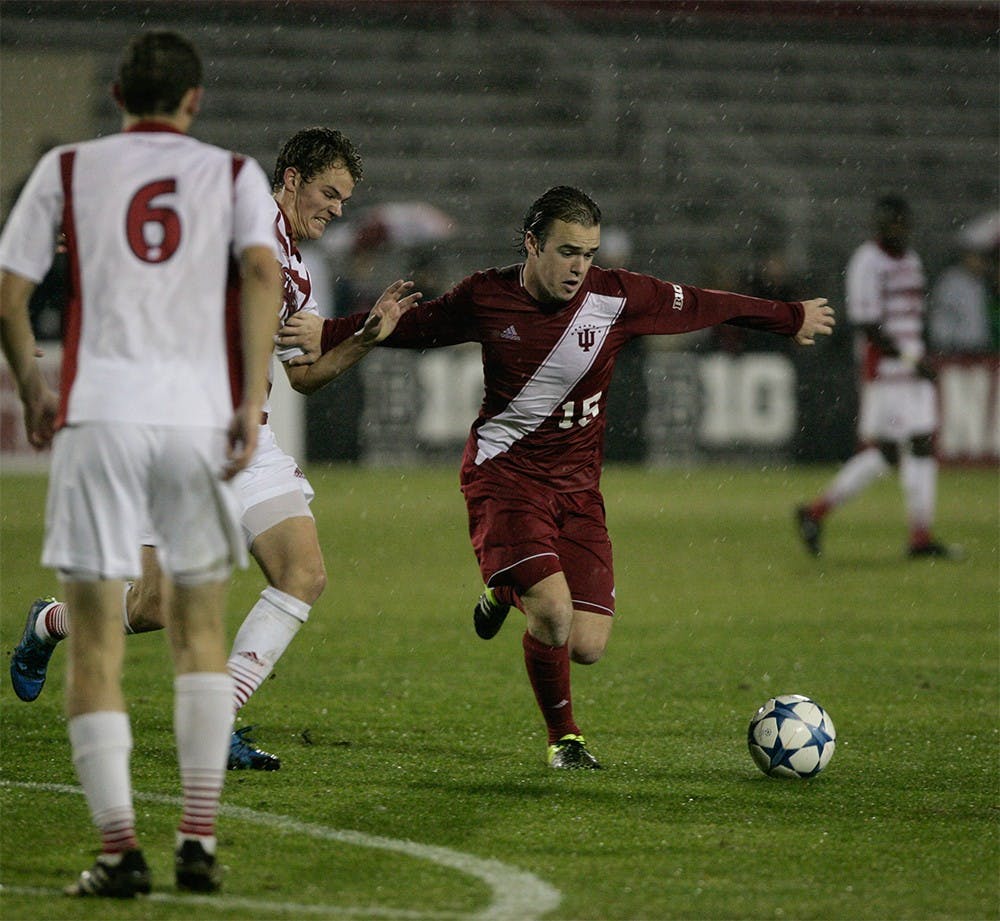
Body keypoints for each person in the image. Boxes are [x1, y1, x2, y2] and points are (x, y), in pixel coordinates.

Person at [280, 185, 836, 770]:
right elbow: (418, 327)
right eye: (567, 251)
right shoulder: (486, 296)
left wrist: (788, 316)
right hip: (505, 476)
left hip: (577, 491)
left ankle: (503, 587)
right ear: (532, 244)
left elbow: (703, 303)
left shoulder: (617, 298)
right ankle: (564, 739)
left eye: (589, 254)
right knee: (553, 612)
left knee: (588, 645)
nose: (579, 267)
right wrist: (334, 332)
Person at [9, 127, 420, 772]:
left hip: (246, 437)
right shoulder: (232, 213)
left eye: (344, 200)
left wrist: (366, 338)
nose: (337, 210)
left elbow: (304, 376)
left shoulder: (297, 273)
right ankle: (52, 622)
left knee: (303, 574)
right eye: (329, 193)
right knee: (154, 605)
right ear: (290, 178)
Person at [0, 31, 282, 896]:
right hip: (193, 419)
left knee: (95, 646)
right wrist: (244, 401)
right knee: (198, 635)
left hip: (100, 416)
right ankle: (197, 837)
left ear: (117, 91)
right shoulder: (233, 174)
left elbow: (9, 291)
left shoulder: (69, 170)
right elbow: (264, 272)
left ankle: (119, 849)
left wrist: (34, 386)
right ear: (194, 101)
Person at [795, 195, 962, 560]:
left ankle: (816, 513)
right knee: (916, 444)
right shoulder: (866, 263)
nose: (896, 230)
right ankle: (919, 538)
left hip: (910, 366)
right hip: (886, 371)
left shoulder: (912, 261)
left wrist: (919, 355)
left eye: (900, 223)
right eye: (889, 223)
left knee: (892, 454)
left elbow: (914, 317)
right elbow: (867, 324)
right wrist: (907, 358)